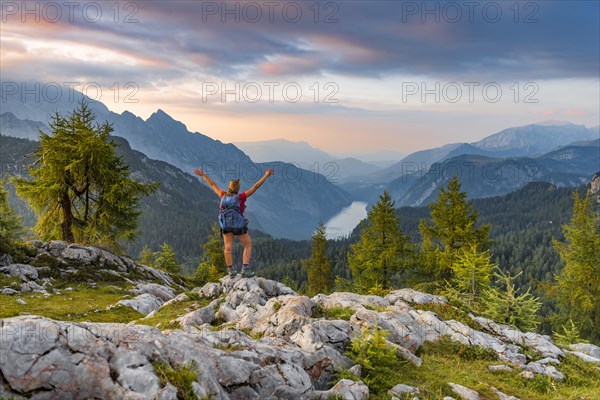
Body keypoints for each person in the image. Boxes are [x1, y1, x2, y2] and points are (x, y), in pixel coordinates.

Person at [193, 167, 274, 278]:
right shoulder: (240, 197)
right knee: (248, 244)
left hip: (226, 225)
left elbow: (212, 184)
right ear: (238, 188)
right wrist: (266, 175)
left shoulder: (222, 195)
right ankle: (245, 269)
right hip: (239, 225)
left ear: (229, 187)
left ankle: (231, 271)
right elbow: (255, 187)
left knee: (228, 247)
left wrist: (203, 175)